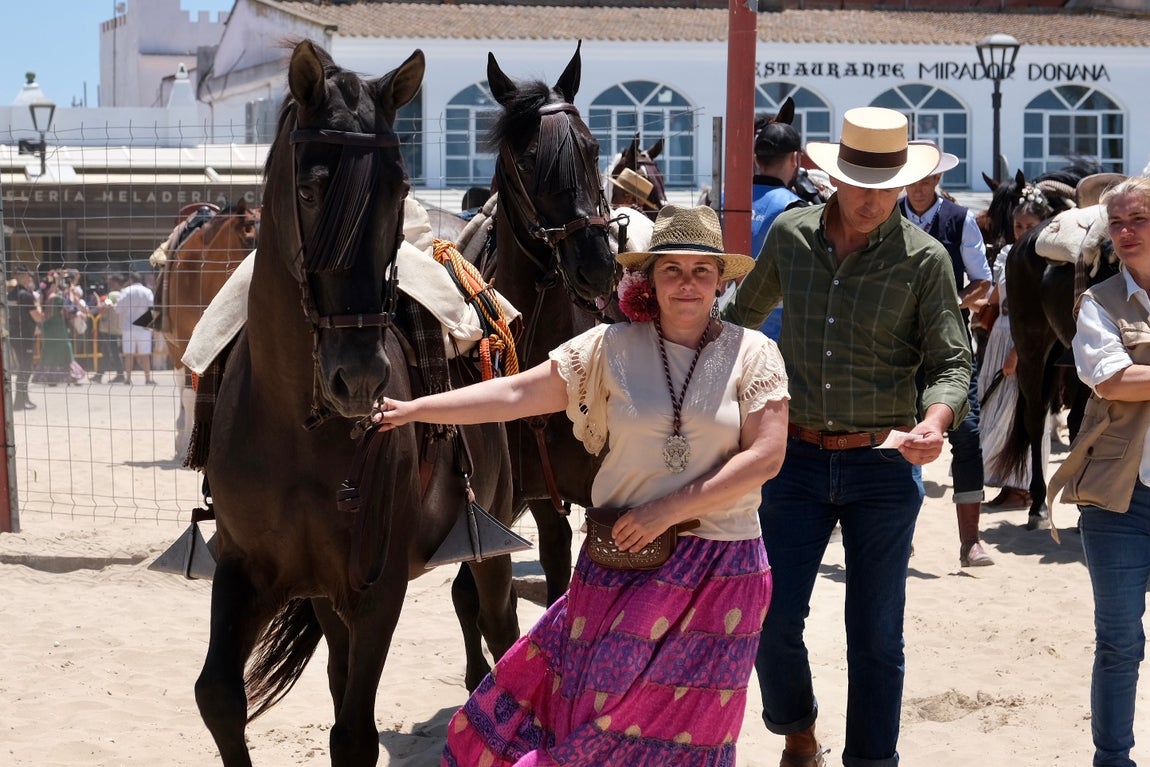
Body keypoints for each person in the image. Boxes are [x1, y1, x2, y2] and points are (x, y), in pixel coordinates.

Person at [376, 204, 791, 766]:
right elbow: (518, 393)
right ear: (650, 278)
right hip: (622, 560)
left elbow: (766, 455)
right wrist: (416, 408)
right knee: (600, 716)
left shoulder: (754, 352)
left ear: (722, 281)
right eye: (673, 269)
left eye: (702, 270)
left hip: (724, 572)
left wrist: (666, 510)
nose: (687, 283)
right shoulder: (608, 347)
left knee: (693, 736)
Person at [724, 106, 972, 766]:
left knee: (875, 639)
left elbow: (952, 362)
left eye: (885, 187)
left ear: (903, 184)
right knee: (770, 621)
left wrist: (936, 419)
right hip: (794, 460)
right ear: (832, 179)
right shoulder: (790, 234)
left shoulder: (926, 260)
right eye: (858, 184)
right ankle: (798, 729)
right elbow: (738, 320)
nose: (871, 200)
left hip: (883, 468)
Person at [1047, 175, 1150, 767]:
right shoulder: (1097, 301)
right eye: (1117, 223)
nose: (1126, 232)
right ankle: (1112, 759)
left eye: (1138, 220)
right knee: (1119, 641)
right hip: (1119, 497)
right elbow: (1110, 379)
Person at [900, 146, 995, 566]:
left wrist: (952, 302)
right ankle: (898, 533)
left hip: (949, 345)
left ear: (937, 181)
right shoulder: (885, 215)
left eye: (926, 179)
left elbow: (983, 283)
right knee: (894, 433)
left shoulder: (960, 220)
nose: (919, 188)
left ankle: (970, 540)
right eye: (913, 179)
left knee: (968, 432)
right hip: (894, 345)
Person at [978, 188, 1058, 511]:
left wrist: (1020, 351)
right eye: (1019, 227)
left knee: (1018, 410)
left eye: (1030, 226)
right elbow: (996, 297)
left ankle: (1023, 485)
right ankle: (1005, 480)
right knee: (992, 408)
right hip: (999, 333)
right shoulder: (1006, 254)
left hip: (1024, 337)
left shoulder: (1049, 261)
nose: (1023, 232)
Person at [749, 118, 811, 341]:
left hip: (728, 320)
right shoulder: (796, 207)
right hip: (777, 331)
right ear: (795, 158)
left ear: (756, 158)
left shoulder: (724, 200)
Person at [32, 272, 81, 386]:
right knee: (66, 351)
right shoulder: (56, 298)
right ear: (53, 285)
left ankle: (49, 377)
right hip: (58, 329)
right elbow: (70, 310)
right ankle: (71, 376)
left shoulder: (43, 297)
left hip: (48, 329)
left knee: (49, 352)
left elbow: (46, 315)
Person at [7, 267, 42, 409]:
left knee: (23, 368)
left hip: (14, 335)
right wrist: (39, 305)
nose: (29, 279)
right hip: (26, 336)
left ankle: (23, 399)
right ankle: (20, 401)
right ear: (21, 276)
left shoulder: (11, 295)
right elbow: (38, 316)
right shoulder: (26, 296)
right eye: (28, 276)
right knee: (25, 368)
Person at [116, 271, 155, 385]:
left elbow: (118, 309)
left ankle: (128, 379)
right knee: (145, 354)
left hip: (128, 326)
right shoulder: (147, 291)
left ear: (131, 280)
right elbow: (152, 308)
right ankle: (148, 379)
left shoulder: (125, 291)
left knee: (128, 355)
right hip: (143, 326)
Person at [91, 274, 126, 384]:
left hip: (109, 328)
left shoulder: (113, 295)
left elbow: (102, 308)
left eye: (111, 282)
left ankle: (120, 374)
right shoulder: (122, 294)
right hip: (115, 327)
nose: (108, 284)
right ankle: (99, 375)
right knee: (107, 352)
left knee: (113, 351)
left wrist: (97, 299)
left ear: (116, 283)